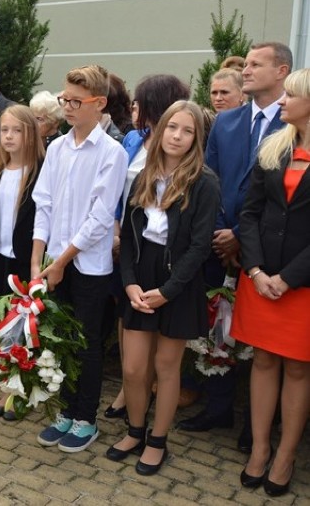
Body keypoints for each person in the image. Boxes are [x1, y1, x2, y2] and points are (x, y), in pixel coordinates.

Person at [187, 42, 292, 450]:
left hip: (267, 253)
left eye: (254, 65)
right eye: (244, 64)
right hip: (218, 244)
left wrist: (243, 239)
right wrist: (219, 233)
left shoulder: (295, 122)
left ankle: (258, 426)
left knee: (262, 343)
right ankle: (217, 407)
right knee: (219, 327)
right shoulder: (227, 123)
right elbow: (208, 180)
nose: (244, 70)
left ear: (281, 71)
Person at [108, 101, 220, 476]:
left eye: (187, 131)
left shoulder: (205, 183)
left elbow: (200, 246)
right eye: (173, 127)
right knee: (135, 368)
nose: (177, 136)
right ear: (160, 130)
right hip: (139, 278)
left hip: (178, 283)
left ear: (196, 138)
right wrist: (129, 284)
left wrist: (169, 291)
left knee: (166, 367)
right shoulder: (142, 176)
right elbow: (126, 237)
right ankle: (135, 431)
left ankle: (157, 442)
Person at [32, 65, 127, 453]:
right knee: (59, 340)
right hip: (53, 262)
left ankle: (86, 418)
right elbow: (44, 203)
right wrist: (38, 260)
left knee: (86, 342)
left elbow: (100, 218)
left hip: (86, 267)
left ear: (99, 103)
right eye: (64, 100)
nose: (67, 107)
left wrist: (61, 261)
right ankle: (65, 411)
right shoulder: (57, 147)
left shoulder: (112, 153)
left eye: (76, 101)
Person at [231, 68, 310, 497]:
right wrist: (258, 271)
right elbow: (250, 214)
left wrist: (288, 278)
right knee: (262, 361)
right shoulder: (273, 148)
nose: (282, 102)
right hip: (260, 280)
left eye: (291, 96)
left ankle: (286, 455)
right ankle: (260, 449)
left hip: (302, 287)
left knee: (298, 368)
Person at [105, 74, 191, 420]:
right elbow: (116, 189)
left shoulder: (183, 151)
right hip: (124, 237)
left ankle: (144, 390)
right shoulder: (131, 140)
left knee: (153, 323)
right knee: (126, 314)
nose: (134, 108)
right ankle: (130, 386)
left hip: (158, 246)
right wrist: (115, 231)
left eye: (140, 102)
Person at [0, 104, 44, 420]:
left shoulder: (39, 173)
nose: (7, 136)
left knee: (25, 330)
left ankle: (19, 391)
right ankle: (8, 383)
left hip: (26, 263)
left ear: (30, 134)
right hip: (1, 261)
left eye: (16, 130)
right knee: (4, 327)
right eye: (4, 130)